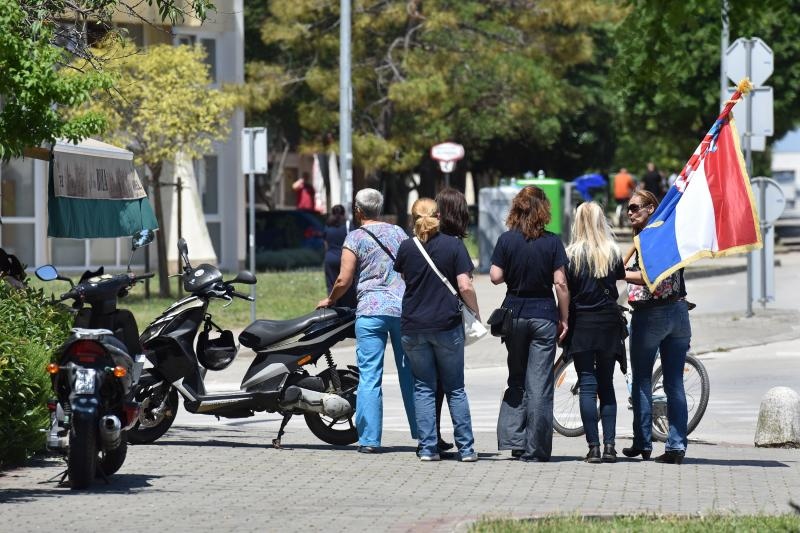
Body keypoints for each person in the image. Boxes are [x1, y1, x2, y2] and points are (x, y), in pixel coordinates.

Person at [316, 188, 416, 453]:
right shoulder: (398, 233)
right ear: (379, 209)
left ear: (358, 210)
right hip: (401, 310)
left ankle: (370, 441)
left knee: (370, 377)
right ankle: (423, 435)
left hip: (371, 311)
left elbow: (343, 279)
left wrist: (331, 299)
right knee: (410, 374)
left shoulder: (355, 237)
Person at [394, 197, 480, 462]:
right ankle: (465, 449)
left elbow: (406, 279)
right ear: (439, 216)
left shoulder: (406, 247)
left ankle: (428, 448)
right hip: (446, 325)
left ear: (413, 218)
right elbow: (464, 286)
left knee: (423, 387)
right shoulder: (453, 246)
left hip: (413, 325)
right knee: (455, 388)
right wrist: (475, 311)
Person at [491, 186, 569, 462]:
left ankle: (515, 441)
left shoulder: (506, 240)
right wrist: (565, 317)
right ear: (543, 210)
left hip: (514, 315)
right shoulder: (553, 242)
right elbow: (560, 282)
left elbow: (495, 277)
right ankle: (536, 449)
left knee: (517, 377)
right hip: (544, 315)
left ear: (516, 208)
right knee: (540, 384)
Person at [623, 190, 691, 465]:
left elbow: (651, 278)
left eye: (635, 207)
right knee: (675, 382)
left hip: (651, 314)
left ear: (651, 208)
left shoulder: (650, 237)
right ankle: (675, 446)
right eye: (628, 208)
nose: (630, 212)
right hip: (678, 313)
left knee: (641, 380)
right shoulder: (670, 234)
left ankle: (642, 441)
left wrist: (618, 272)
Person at [564, 202, 627, 464]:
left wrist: (563, 320)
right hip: (608, 323)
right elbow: (619, 280)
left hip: (582, 323)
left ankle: (593, 448)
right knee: (607, 386)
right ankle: (611, 446)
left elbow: (566, 288)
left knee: (587, 386)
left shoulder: (571, 255)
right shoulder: (613, 251)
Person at [322, 205, 357, 309]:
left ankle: (333, 309)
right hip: (344, 258)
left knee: (332, 286)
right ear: (344, 213)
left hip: (330, 258)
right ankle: (347, 311)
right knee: (347, 286)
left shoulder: (328, 225)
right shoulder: (348, 225)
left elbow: (325, 244)